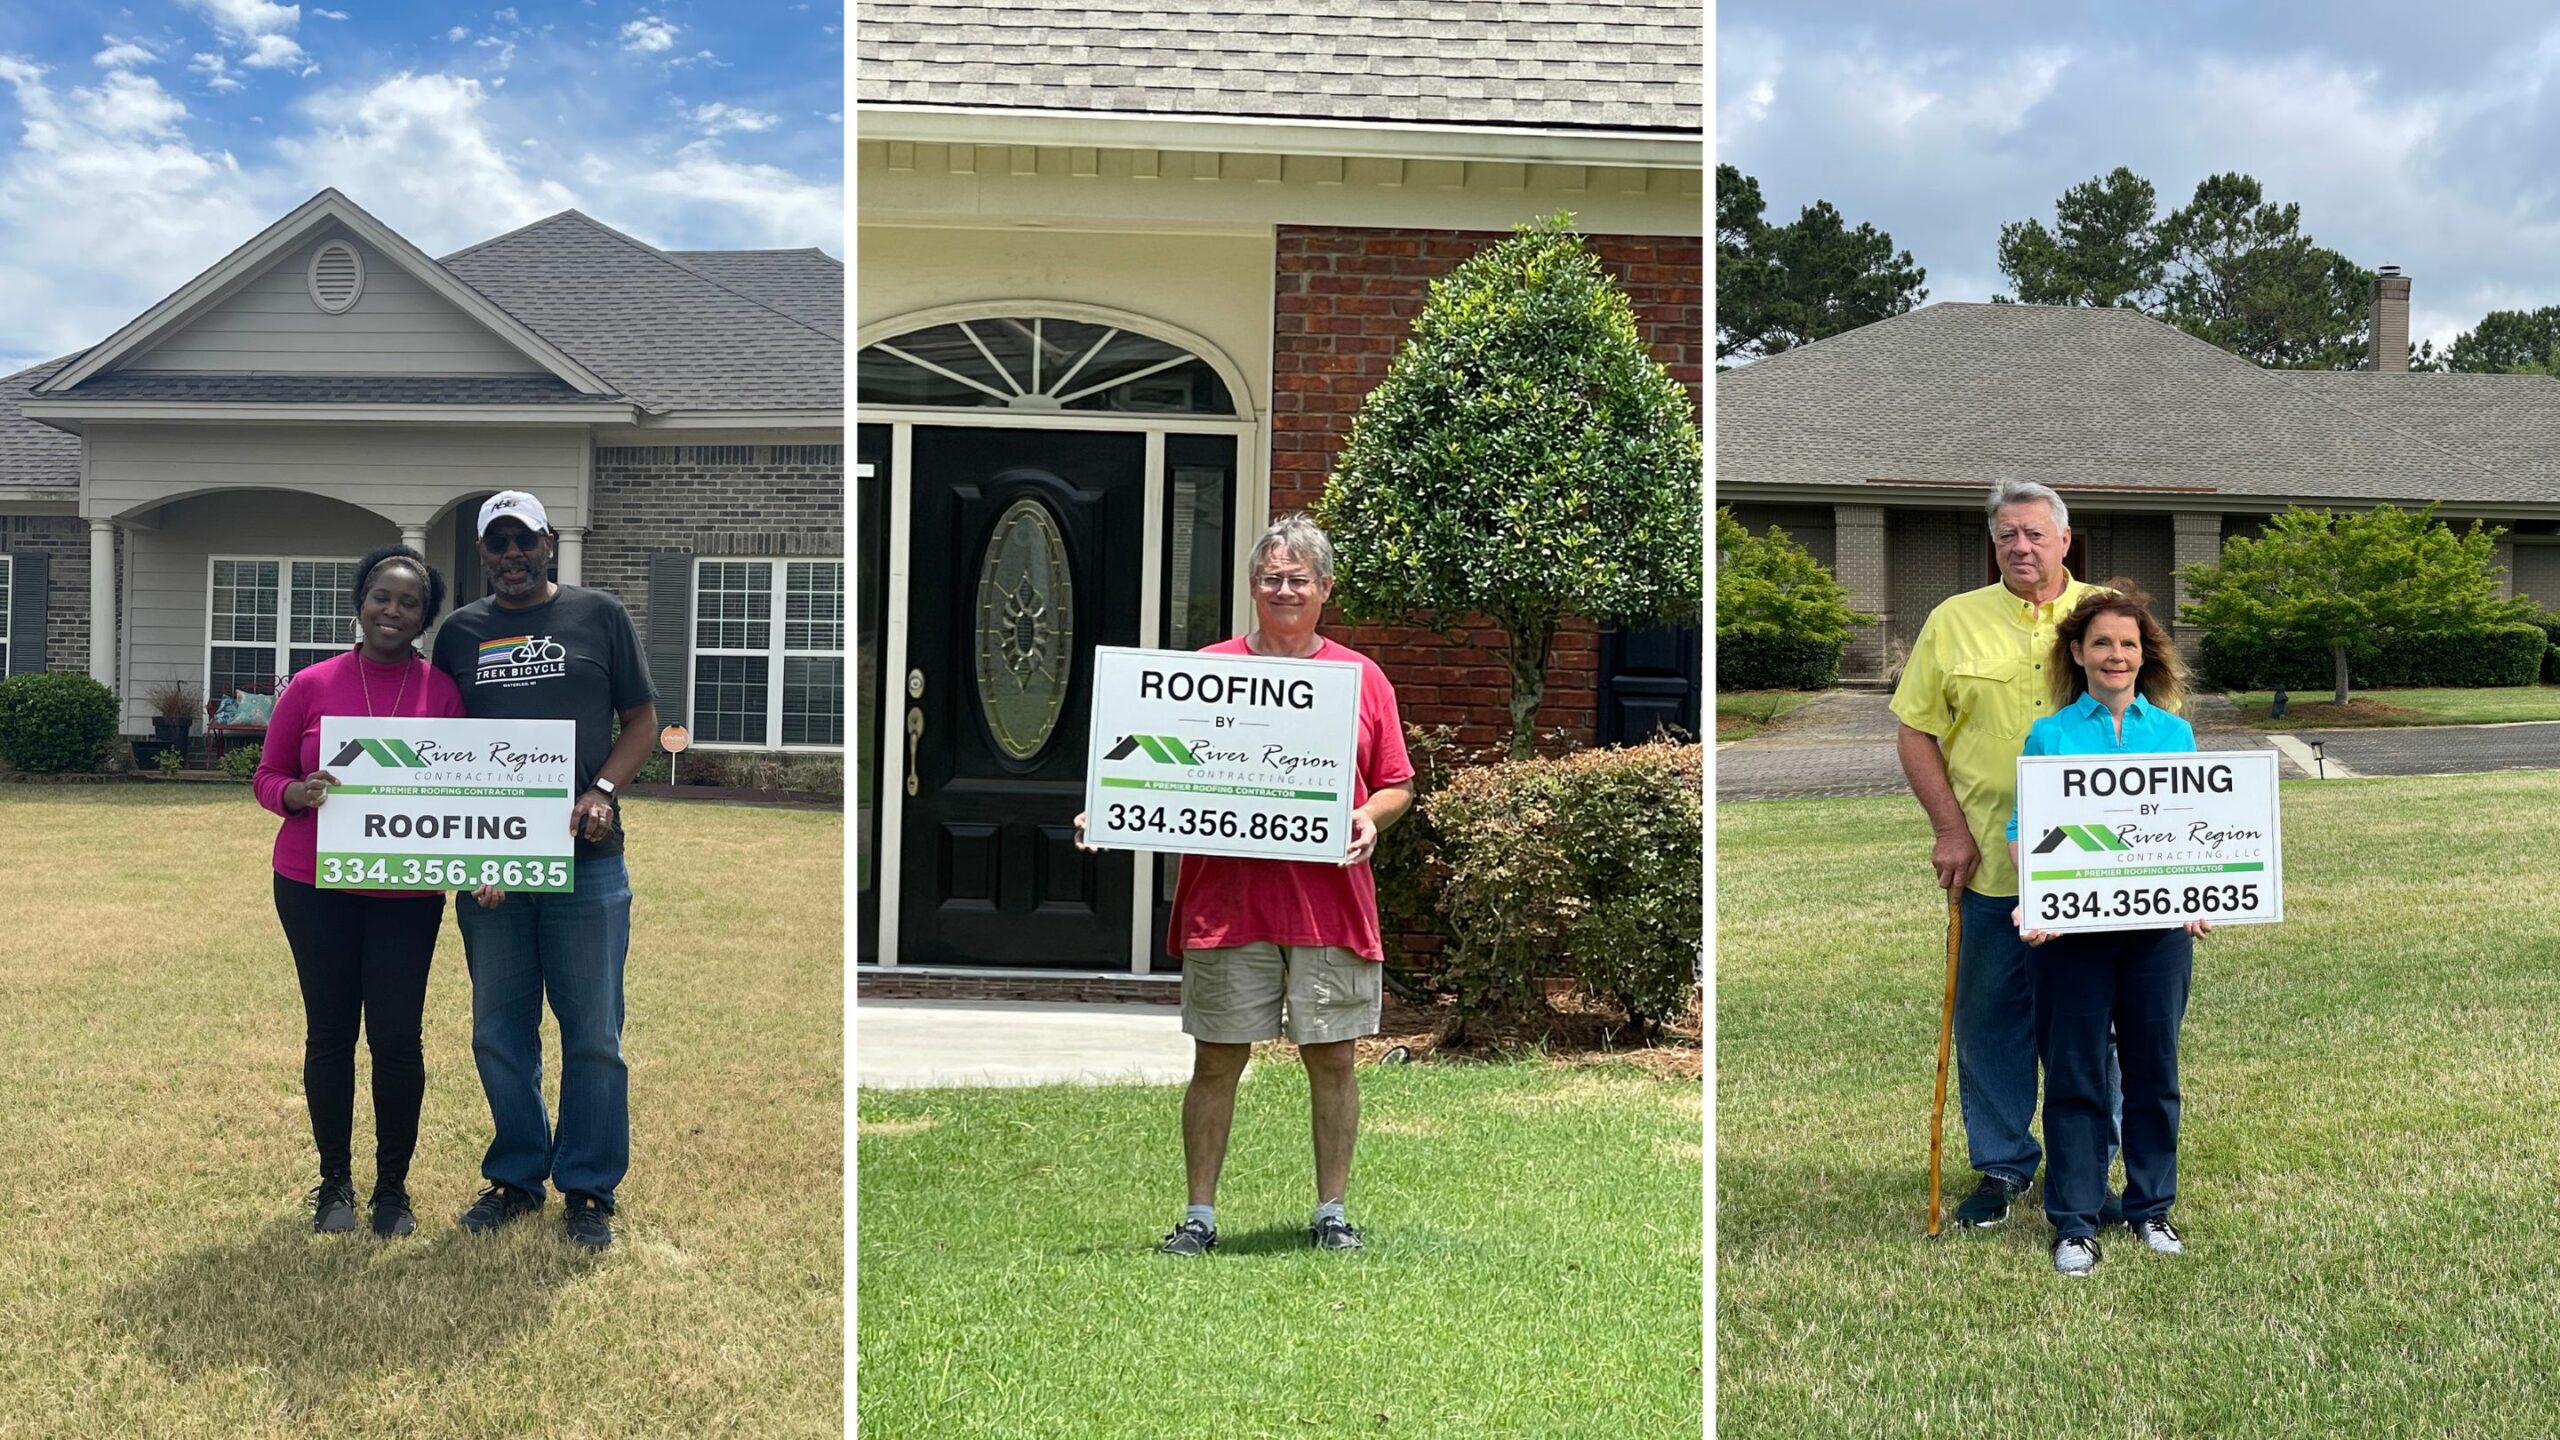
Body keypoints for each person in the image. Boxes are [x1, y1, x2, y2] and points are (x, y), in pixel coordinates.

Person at [1077, 513, 1415, 1255]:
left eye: (1299, 578)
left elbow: (1397, 783)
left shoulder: (1362, 679)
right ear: (1253, 588)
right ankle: (1199, 1216)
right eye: (1271, 578)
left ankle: (1333, 1212)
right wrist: (1109, 809)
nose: (1284, 589)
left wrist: (1367, 817)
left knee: (1333, 1058)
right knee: (1218, 1056)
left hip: (1330, 906)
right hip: (1228, 907)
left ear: (1325, 589)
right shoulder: (1207, 672)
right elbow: (1152, 768)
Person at [430, 491, 657, 1252]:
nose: (511, 555)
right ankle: (516, 1177)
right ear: (483, 552)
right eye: (496, 543)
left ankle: (589, 1189)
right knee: (499, 1030)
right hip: (491, 867)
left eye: (523, 539)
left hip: (588, 864)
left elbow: (641, 721)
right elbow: (446, 747)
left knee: (593, 1032)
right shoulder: (460, 634)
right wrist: (472, 850)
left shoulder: (600, 616)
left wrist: (603, 789)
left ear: (548, 542)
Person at [1891, 478, 2111, 1230]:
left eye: (2035, 534)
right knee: (1991, 1018)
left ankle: (2087, 1166)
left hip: (2095, 866)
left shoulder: (2105, 616)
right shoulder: (1953, 621)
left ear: (2064, 540)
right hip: (1990, 864)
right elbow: (1916, 730)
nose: (2021, 547)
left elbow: (2156, 728)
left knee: (2089, 1023)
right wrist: (1950, 829)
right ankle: (2002, 1165)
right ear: (1995, 544)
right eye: (2007, 535)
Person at [256, 544, 465, 1237]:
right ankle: (334, 1184)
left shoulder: (442, 693)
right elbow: (266, 774)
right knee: (331, 1034)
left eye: (409, 602)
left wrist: (482, 863)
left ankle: (393, 1191)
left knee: (399, 1038)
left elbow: (464, 794)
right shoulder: (312, 685)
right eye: (382, 596)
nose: (393, 611)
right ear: (360, 600)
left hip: (407, 895)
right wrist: (295, 792)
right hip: (315, 887)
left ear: (424, 617)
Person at [2006, 582, 2210, 1276]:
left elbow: (2191, 833)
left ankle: (2151, 1207)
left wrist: (2198, 894)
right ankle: (2075, 1221)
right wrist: (2035, 897)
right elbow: (2025, 828)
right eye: (2102, 643)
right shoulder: (2051, 733)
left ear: (2144, 653)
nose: (2116, 654)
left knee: (2154, 1072)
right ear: (2078, 652)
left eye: (2128, 643)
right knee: (2073, 1075)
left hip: (2157, 936)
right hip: (2070, 940)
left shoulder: (2173, 733)